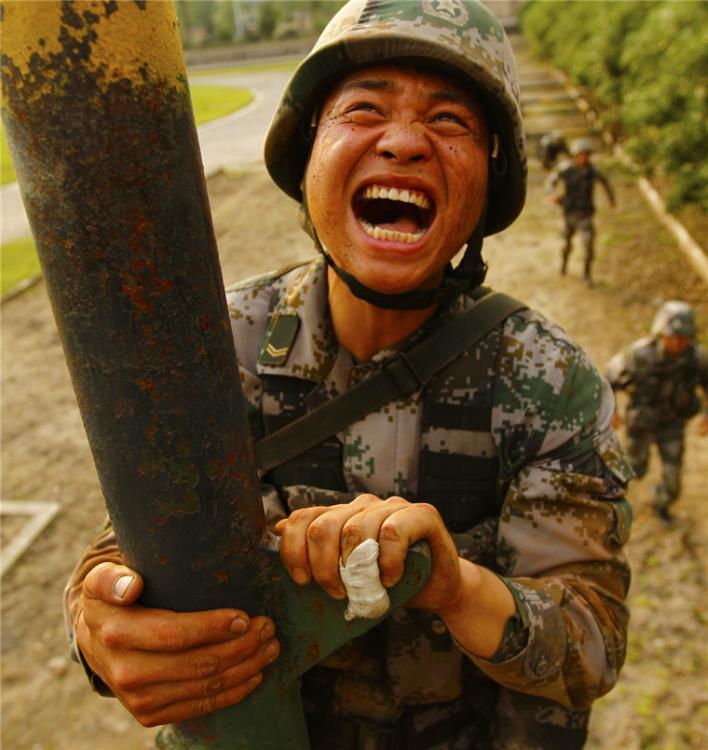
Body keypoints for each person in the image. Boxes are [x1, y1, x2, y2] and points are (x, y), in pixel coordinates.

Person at [64, 1, 634, 747]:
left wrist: (454, 587)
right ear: (306, 158)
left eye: (450, 122)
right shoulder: (214, 347)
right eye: (363, 110)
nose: (402, 141)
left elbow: (590, 643)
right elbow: (131, 545)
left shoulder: (549, 383)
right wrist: (100, 622)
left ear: (487, 190)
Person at [606, 300, 708, 524]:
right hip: (641, 424)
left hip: (672, 426)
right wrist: (611, 411)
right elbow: (608, 381)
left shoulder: (697, 359)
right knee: (635, 469)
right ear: (660, 333)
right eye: (672, 336)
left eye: (684, 338)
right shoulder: (638, 355)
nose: (678, 343)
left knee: (673, 481)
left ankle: (660, 504)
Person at [546, 136, 615, 287]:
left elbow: (605, 182)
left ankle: (587, 274)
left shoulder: (593, 171)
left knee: (588, 247)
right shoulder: (566, 169)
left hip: (585, 214)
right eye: (580, 155)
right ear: (574, 155)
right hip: (568, 213)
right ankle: (564, 264)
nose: (583, 158)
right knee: (566, 244)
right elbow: (551, 180)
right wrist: (552, 194)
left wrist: (611, 199)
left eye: (586, 155)